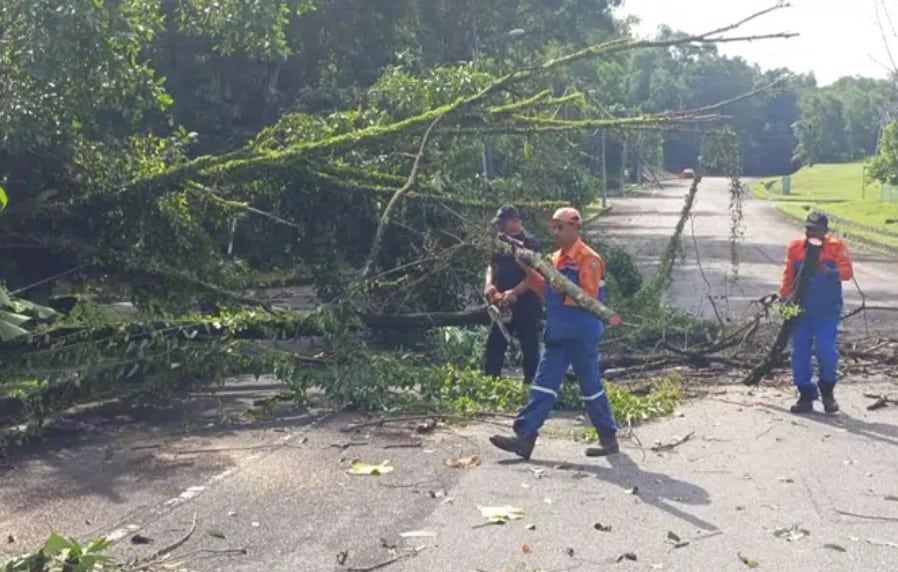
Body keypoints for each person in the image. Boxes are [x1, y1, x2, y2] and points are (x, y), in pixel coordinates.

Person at [490, 207, 619, 459]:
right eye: (554, 228)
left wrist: (553, 280)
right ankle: (524, 437)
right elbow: (541, 289)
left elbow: (585, 298)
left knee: (590, 386)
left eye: (560, 227)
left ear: (575, 227)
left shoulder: (588, 259)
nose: (556, 232)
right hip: (558, 331)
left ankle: (608, 438)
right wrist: (527, 269)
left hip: (581, 331)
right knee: (543, 385)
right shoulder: (554, 259)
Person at [779, 212, 853, 414]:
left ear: (825, 232)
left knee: (825, 350)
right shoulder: (795, 248)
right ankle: (805, 394)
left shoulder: (836, 248)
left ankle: (827, 391)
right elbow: (788, 277)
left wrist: (831, 272)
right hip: (802, 311)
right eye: (808, 228)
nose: (811, 232)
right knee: (799, 353)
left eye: (816, 230)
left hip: (827, 311)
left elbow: (847, 272)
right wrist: (785, 299)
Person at [484, 205, 542, 384]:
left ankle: (532, 384)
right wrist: (489, 286)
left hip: (527, 302)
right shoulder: (499, 241)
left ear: (514, 221)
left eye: (503, 222)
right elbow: (491, 265)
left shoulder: (530, 243)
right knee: (495, 345)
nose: (500, 226)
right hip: (502, 304)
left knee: (529, 346)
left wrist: (515, 292)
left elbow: (536, 275)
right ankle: (491, 383)